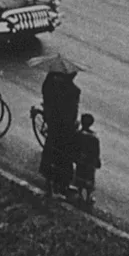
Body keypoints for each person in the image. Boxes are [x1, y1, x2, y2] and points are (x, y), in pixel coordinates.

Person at [40, 64, 82, 197]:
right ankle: (63, 183)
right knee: (65, 155)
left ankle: (49, 178)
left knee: (51, 147)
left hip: (53, 122)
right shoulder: (74, 91)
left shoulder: (52, 84)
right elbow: (73, 112)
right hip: (66, 127)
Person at [73, 114, 101, 205]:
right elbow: (96, 151)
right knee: (89, 179)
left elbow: (76, 147)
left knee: (80, 176)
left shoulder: (78, 134)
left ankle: (80, 194)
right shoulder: (94, 137)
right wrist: (97, 160)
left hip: (81, 159)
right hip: (90, 162)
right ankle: (88, 197)